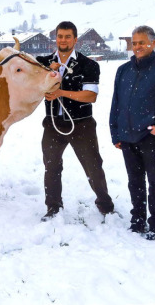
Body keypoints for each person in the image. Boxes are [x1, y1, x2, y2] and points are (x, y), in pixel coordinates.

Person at [36, 21, 114, 220]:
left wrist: (61, 92)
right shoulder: (41, 63)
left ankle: (105, 206)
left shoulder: (89, 65)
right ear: (56, 38)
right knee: (51, 166)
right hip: (53, 123)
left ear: (75, 39)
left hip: (82, 124)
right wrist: (46, 73)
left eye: (67, 36)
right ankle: (53, 207)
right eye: (60, 36)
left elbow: (90, 96)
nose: (63, 40)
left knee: (93, 166)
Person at [109, 26, 155, 241]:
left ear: (153, 43)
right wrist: (115, 132)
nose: (137, 47)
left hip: (151, 137)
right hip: (127, 136)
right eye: (134, 43)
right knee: (134, 181)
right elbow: (116, 104)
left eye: (141, 42)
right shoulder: (123, 70)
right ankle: (137, 219)